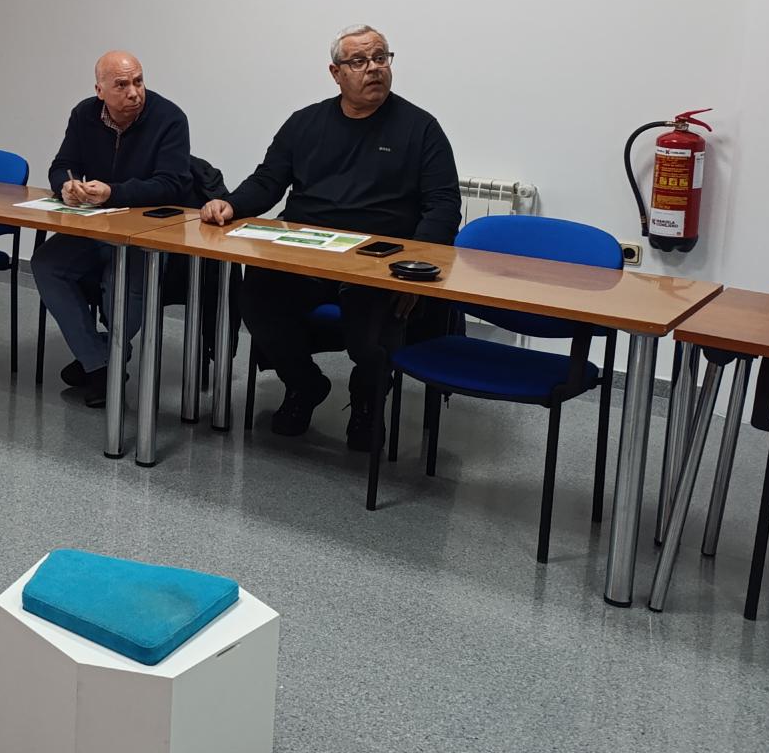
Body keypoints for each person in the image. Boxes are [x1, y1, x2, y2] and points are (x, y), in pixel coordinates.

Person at [201, 25, 461, 451]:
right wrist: (230, 204)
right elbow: (268, 181)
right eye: (359, 61)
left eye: (381, 58)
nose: (373, 68)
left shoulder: (421, 128)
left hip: (378, 263)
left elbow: (443, 205)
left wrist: (415, 268)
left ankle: (367, 400)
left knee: (373, 322)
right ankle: (304, 385)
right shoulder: (305, 123)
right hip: (307, 254)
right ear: (335, 73)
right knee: (257, 294)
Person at [36, 51, 193, 407]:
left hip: (146, 234)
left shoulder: (169, 118)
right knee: (46, 264)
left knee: (121, 289)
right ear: (100, 91)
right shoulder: (84, 115)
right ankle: (101, 362)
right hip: (95, 225)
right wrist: (66, 186)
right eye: (121, 85)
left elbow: (173, 184)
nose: (134, 92)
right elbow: (61, 164)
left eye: (138, 81)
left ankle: (98, 359)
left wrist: (114, 193)